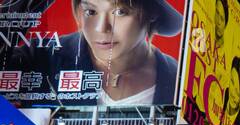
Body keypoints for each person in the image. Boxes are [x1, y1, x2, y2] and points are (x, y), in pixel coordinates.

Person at [18, 1, 185, 108]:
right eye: (91, 12)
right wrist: (20, 9)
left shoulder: (179, 83)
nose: (101, 28)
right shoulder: (40, 57)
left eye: (120, 12)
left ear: (151, 14)